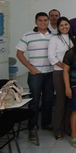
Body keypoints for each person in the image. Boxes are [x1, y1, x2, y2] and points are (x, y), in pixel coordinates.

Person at [16, 12, 54, 141]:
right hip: (35, 74)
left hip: (50, 73)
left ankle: (46, 123)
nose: (43, 22)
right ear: (35, 22)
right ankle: (32, 127)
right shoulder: (28, 35)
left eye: (45, 20)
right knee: (34, 101)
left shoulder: (53, 36)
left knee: (48, 100)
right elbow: (19, 53)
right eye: (40, 20)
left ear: (48, 21)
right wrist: (30, 68)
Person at [48, 17, 74, 140]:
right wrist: (65, 67)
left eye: (66, 24)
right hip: (59, 72)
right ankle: (58, 130)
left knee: (70, 100)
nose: (64, 27)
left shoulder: (72, 38)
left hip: (72, 73)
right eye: (61, 25)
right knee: (60, 101)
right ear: (58, 27)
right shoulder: (54, 39)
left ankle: (67, 128)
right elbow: (52, 57)